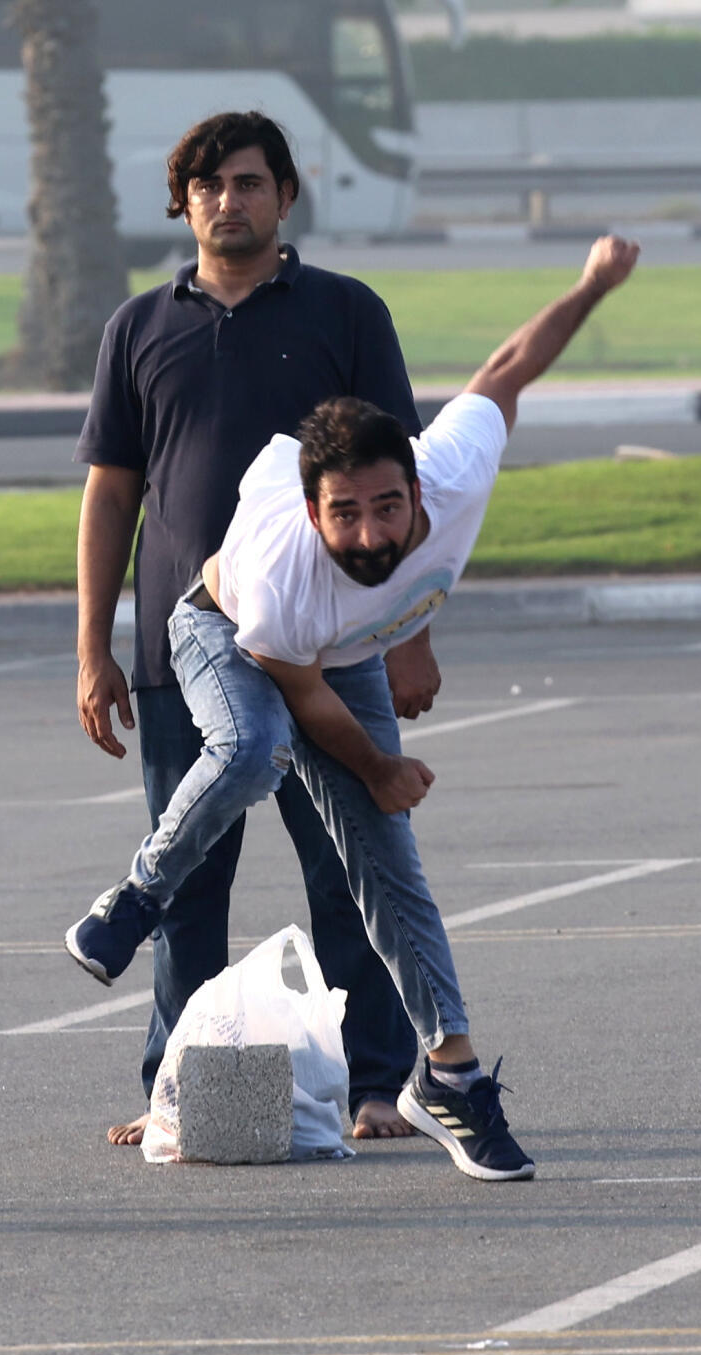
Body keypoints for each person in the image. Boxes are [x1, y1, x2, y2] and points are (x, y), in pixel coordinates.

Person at [66, 233, 643, 1182]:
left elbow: (509, 369)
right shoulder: (283, 567)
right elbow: (300, 701)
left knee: (389, 866)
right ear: (311, 511)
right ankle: (137, 893)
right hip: (226, 632)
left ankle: (449, 1079)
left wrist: (590, 286)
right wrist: (380, 769)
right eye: (346, 515)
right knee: (252, 749)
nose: (372, 533)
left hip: (348, 656)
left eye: (387, 507)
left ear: (418, 485)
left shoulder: (453, 473)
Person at [74, 110, 442, 1150]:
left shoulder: (344, 311)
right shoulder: (139, 328)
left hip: (334, 641)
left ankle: (378, 1083)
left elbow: (401, 487)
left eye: (246, 182)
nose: (225, 201)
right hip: (181, 650)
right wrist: (91, 646)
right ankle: (176, 1093)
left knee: (352, 869)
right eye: (206, 185)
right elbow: (110, 496)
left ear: (285, 195)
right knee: (188, 877)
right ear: (181, 202)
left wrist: (410, 632)